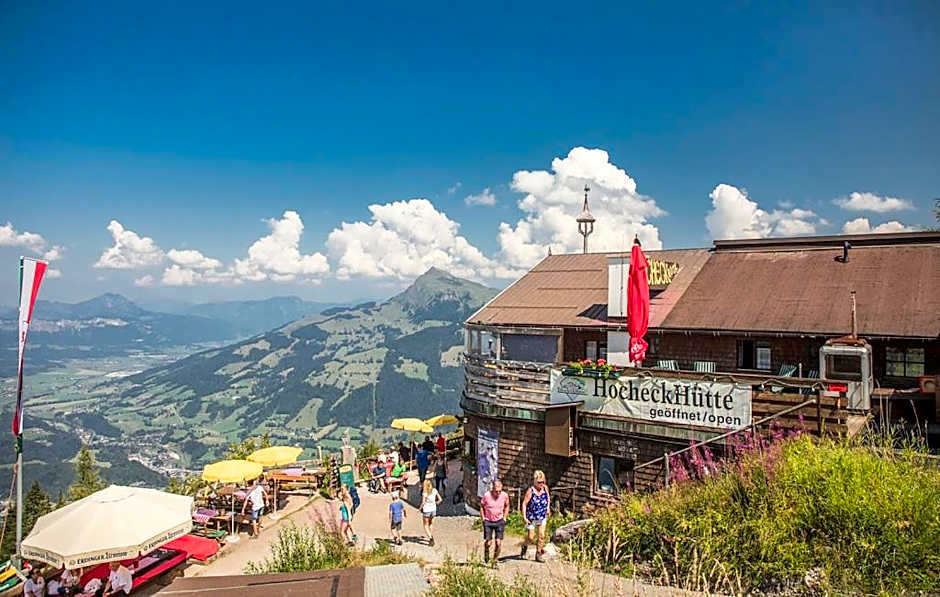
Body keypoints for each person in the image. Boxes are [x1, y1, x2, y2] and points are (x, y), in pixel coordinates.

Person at [521, 469, 551, 563]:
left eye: (542, 482)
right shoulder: (530, 491)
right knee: (531, 537)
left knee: (542, 535)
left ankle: (538, 554)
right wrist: (524, 517)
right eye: (539, 482)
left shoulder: (545, 488)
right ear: (535, 481)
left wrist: (548, 507)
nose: (541, 484)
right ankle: (524, 546)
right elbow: (524, 504)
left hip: (542, 515)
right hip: (531, 517)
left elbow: (548, 498)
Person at [480, 478, 509, 566]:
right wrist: (483, 518)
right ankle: (486, 551)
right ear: (492, 489)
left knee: (498, 542)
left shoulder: (504, 496)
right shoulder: (487, 496)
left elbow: (507, 506)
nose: (498, 493)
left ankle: (495, 560)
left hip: (499, 521)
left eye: (500, 491)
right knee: (488, 542)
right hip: (488, 521)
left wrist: (504, 517)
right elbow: (481, 506)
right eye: (496, 491)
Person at [420, 479, 442, 546]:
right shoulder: (434, 490)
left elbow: (423, 502)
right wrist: (435, 503)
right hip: (433, 509)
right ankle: (431, 534)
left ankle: (430, 538)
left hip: (427, 509)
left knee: (425, 525)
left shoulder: (425, 493)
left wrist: (419, 508)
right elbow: (440, 499)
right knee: (431, 523)